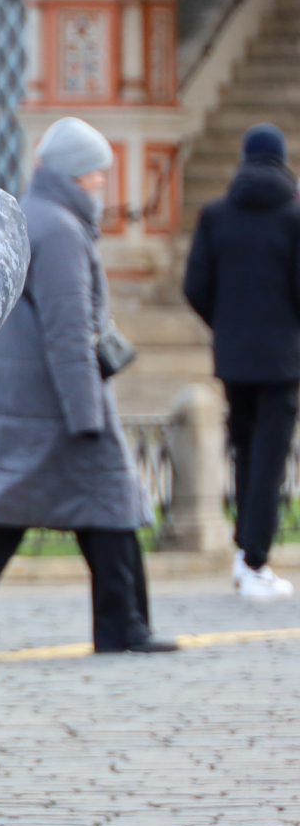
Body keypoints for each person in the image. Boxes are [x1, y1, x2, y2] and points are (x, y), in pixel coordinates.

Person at [0, 120, 177, 656]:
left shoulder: (35, 216)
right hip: (60, 401)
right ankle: (122, 626)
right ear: (75, 173)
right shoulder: (59, 230)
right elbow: (68, 330)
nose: (100, 183)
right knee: (96, 505)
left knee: (33, 512)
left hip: (32, 397)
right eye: (95, 173)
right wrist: (87, 413)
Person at [183, 122, 300, 598]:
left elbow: (195, 286)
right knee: (271, 459)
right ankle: (255, 560)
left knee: (246, 453)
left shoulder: (216, 214)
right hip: (282, 360)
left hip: (233, 358)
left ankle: (244, 552)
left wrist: (227, 325)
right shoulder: (294, 216)